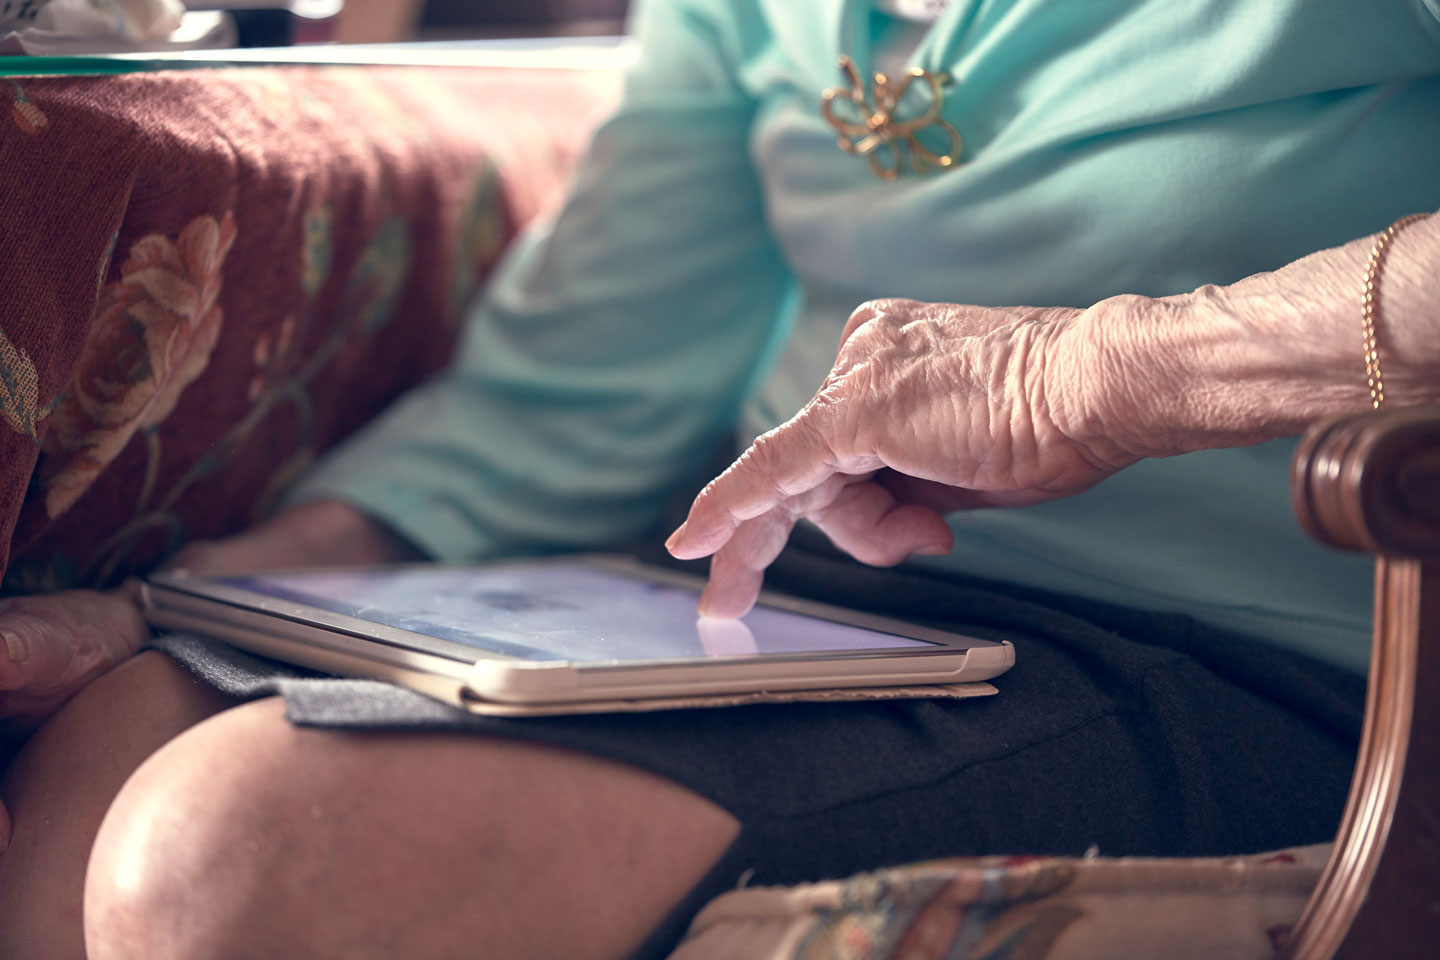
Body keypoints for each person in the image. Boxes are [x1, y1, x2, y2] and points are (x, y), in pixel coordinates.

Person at [2, 0, 1439, 958]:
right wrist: (193, 595)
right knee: (113, 746)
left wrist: (1087, 377)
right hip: (780, 601)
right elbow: (579, 385)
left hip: (1260, 654)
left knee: (240, 854)